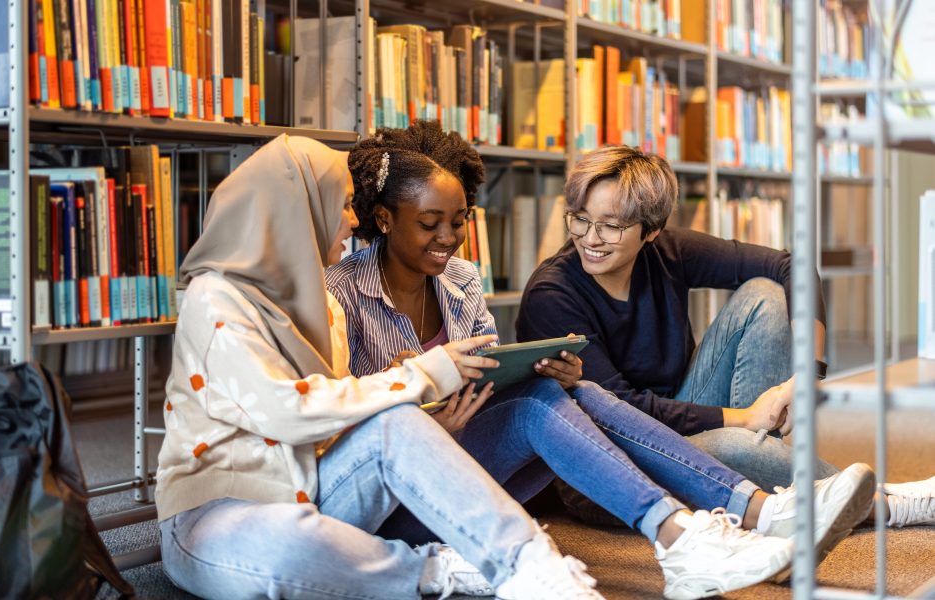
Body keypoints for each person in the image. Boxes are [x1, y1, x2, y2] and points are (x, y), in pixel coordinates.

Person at [325, 121, 873, 599]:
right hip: (401, 484)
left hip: (480, 458)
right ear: (385, 218)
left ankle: (732, 519)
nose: (449, 239)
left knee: (577, 389)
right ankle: (800, 507)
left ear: (649, 232)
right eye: (429, 224)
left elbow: (494, 380)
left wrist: (807, 376)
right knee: (720, 440)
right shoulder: (342, 294)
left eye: (459, 219)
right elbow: (335, 428)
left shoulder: (463, 284)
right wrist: (413, 408)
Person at [156, 133, 608, 600]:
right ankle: (437, 569)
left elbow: (339, 420)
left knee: (398, 421)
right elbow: (284, 411)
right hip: (220, 511)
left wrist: (418, 408)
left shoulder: (322, 303)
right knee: (286, 549)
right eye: (344, 204)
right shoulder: (214, 297)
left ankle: (529, 562)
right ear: (298, 209)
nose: (354, 221)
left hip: (314, 491)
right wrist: (421, 375)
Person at [516, 144, 935, 529]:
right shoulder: (552, 295)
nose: (590, 239)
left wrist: (809, 374)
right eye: (581, 219)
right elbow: (620, 409)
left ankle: (762, 482)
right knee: (736, 448)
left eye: (611, 226)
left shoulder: (667, 253)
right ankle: (886, 504)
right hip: (610, 463)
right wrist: (741, 418)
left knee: (766, 295)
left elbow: (794, 268)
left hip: (682, 417)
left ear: (650, 230)